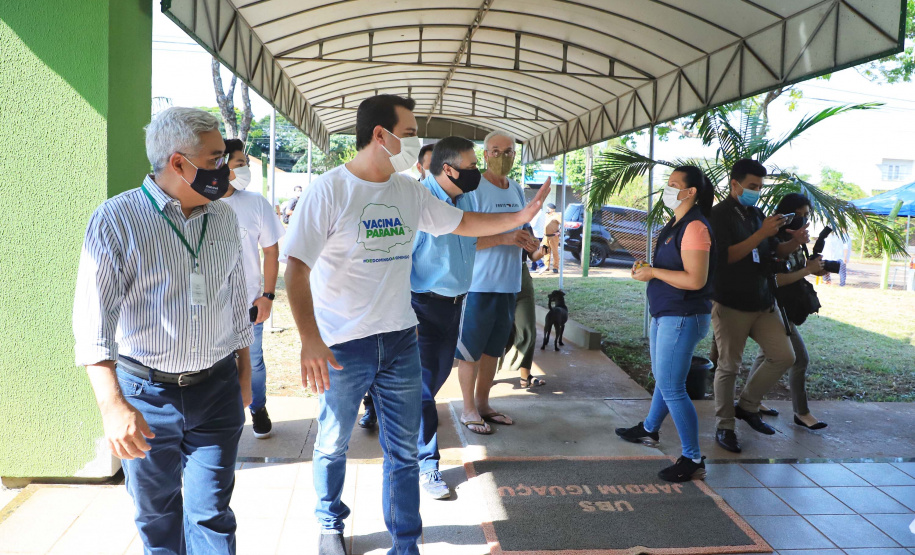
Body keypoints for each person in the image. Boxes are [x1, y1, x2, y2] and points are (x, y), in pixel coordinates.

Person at [281, 95, 549, 555]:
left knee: (404, 451)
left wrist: (520, 216)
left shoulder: (410, 192)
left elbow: (462, 223)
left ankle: (406, 542)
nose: (415, 141)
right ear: (379, 135)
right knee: (332, 442)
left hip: (402, 339)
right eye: (408, 132)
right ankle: (330, 521)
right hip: (343, 344)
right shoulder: (329, 190)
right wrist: (310, 339)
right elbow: (297, 268)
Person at [73, 107, 253, 554]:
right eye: (216, 158)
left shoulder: (224, 217)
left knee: (211, 512)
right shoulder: (117, 220)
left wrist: (244, 376)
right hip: (146, 396)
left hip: (216, 390)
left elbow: (235, 303)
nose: (226, 167)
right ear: (178, 163)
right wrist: (114, 406)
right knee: (156, 513)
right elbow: (93, 323)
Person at [615, 166, 716, 482]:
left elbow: (695, 279)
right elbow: (674, 267)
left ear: (690, 192)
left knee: (672, 385)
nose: (667, 189)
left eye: (674, 185)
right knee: (664, 377)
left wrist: (654, 273)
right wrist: (650, 269)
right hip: (667, 312)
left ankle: (693, 458)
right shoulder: (675, 224)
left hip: (683, 316)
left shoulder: (695, 227)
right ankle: (649, 429)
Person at [709, 159, 808, 453]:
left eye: (760, 187)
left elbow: (770, 252)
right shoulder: (719, 215)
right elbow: (725, 256)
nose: (756, 191)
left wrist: (793, 243)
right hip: (731, 303)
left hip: (763, 301)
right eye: (752, 186)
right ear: (734, 184)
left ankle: (747, 406)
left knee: (784, 356)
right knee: (729, 366)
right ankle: (725, 426)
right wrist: (761, 234)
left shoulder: (756, 214)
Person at [409, 136, 482, 499]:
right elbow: (398, 262)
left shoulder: (464, 201)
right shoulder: (417, 203)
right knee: (424, 391)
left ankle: (388, 406)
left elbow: (469, 240)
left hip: (453, 307)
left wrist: (507, 237)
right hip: (420, 307)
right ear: (449, 169)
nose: (477, 171)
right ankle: (427, 465)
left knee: (436, 379)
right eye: (471, 166)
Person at [455, 130, 540, 435]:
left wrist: (529, 243)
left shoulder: (516, 189)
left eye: (509, 152)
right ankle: (467, 409)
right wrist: (504, 237)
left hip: (509, 284)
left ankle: (483, 404)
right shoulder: (472, 190)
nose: (503, 157)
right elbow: (462, 239)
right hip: (477, 284)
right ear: (485, 154)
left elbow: (522, 229)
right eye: (496, 151)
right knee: (470, 352)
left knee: (493, 351)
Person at [221, 138, 286, 439]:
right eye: (239, 163)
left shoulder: (255, 203)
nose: (245, 169)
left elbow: (271, 252)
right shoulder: (198, 202)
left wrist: (268, 296)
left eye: (245, 163)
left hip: (250, 303)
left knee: (254, 361)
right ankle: (223, 418)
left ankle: (257, 407)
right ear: (221, 164)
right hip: (210, 308)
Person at [749, 193, 829, 430]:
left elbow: (797, 269)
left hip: (787, 306)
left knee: (765, 354)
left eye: (806, 215)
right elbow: (775, 280)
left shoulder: (797, 239)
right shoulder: (774, 239)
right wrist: (806, 271)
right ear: (785, 213)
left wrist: (813, 268)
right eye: (799, 214)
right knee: (799, 359)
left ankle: (752, 400)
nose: (802, 220)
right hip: (775, 308)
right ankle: (801, 412)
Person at [499, 224, 546, 387]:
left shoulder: (525, 225)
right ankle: (486, 374)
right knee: (496, 331)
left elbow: (533, 255)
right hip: (496, 276)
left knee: (527, 328)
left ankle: (525, 376)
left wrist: (544, 247)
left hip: (521, 277)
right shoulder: (492, 217)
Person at [540, 203, 561, 274]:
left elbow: (563, 224)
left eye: (548, 208)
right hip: (546, 236)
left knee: (555, 252)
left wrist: (559, 232)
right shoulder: (546, 215)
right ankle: (546, 266)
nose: (547, 209)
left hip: (553, 237)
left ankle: (555, 267)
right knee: (546, 251)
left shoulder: (557, 215)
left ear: (552, 209)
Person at [529, 207, 548, 271]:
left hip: (535, 234)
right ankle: (533, 267)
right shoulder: (543, 213)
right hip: (540, 234)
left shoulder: (537, 214)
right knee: (536, 250)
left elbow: (532, 225)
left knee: (533, 251)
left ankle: (541, 265)